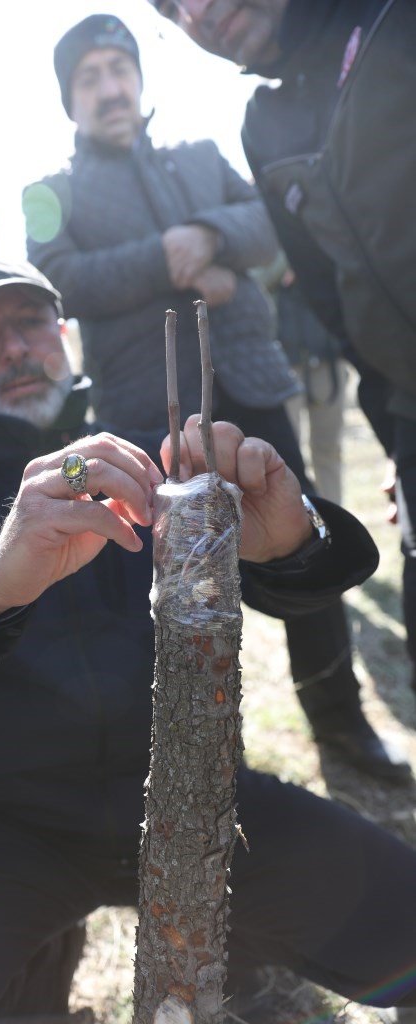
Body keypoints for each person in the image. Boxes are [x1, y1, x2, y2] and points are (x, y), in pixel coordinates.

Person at [0, 252, 416, 1024]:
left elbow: (325, 567)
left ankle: (245, 955)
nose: (15, 349)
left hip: (211, 807)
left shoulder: (153, 459)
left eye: (29, 322)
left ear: (65, 334)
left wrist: (290, 539)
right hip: (16, 825)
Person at [23, 15, 408, 781]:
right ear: (69, 100)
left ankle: (339, 726)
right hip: (146, 415)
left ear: (138, 76)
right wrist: (168, 260)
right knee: (170, 590)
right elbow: (57, 276)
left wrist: (207, 233)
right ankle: (193, 759)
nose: (109, 86)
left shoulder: (202, 154)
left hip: (253, 389)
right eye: (89, 76)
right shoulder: (47, 192)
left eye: (117, 67)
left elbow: (267, 221)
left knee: (301, 548)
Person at [149, 0, 416, 683]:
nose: (197, 12)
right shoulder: (265, 123)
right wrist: (400, 436)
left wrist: (208, 238)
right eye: (169, 8)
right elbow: (338, 302)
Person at [254, 253, 348, 507]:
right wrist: (289, 257)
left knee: (328, 448)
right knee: (286, 453)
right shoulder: (265, 241)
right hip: (284, 363)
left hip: (327, 358)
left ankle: (335, 515)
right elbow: (255, 281)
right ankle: (299, 517)